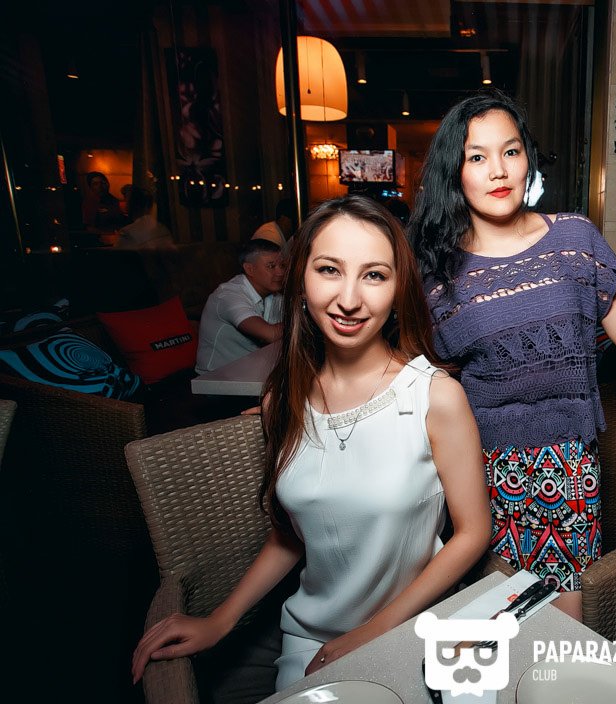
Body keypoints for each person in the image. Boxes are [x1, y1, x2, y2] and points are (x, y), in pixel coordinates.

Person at [132, 195, 491, 691]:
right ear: (300, 281)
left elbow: (473, 532)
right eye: (329, 270)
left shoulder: (435, 396)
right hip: (311, 635)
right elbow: (291, 534)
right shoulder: (283, 401)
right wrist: (220, 620)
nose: (349, 298)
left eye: (374, 275)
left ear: (398, 291)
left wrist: (372, 633)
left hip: (418, 625)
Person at [409, 92, 616, 620]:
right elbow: (422, 370)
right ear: (455, 171)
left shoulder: (573, 237)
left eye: (510, 151)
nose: (498, 170)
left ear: (527, 157)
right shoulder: (438, 272)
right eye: (477, 156)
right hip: (480, 467)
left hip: (568, 461)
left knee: (563, 623)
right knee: (493, 619)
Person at [195, 239, 286, 373]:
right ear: (249, 269)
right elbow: (271, 334)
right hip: (216, 378)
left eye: (282, 265)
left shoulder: (275, 295)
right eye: (271, 266)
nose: (280, 272)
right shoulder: (228, 295)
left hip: (251, 371)